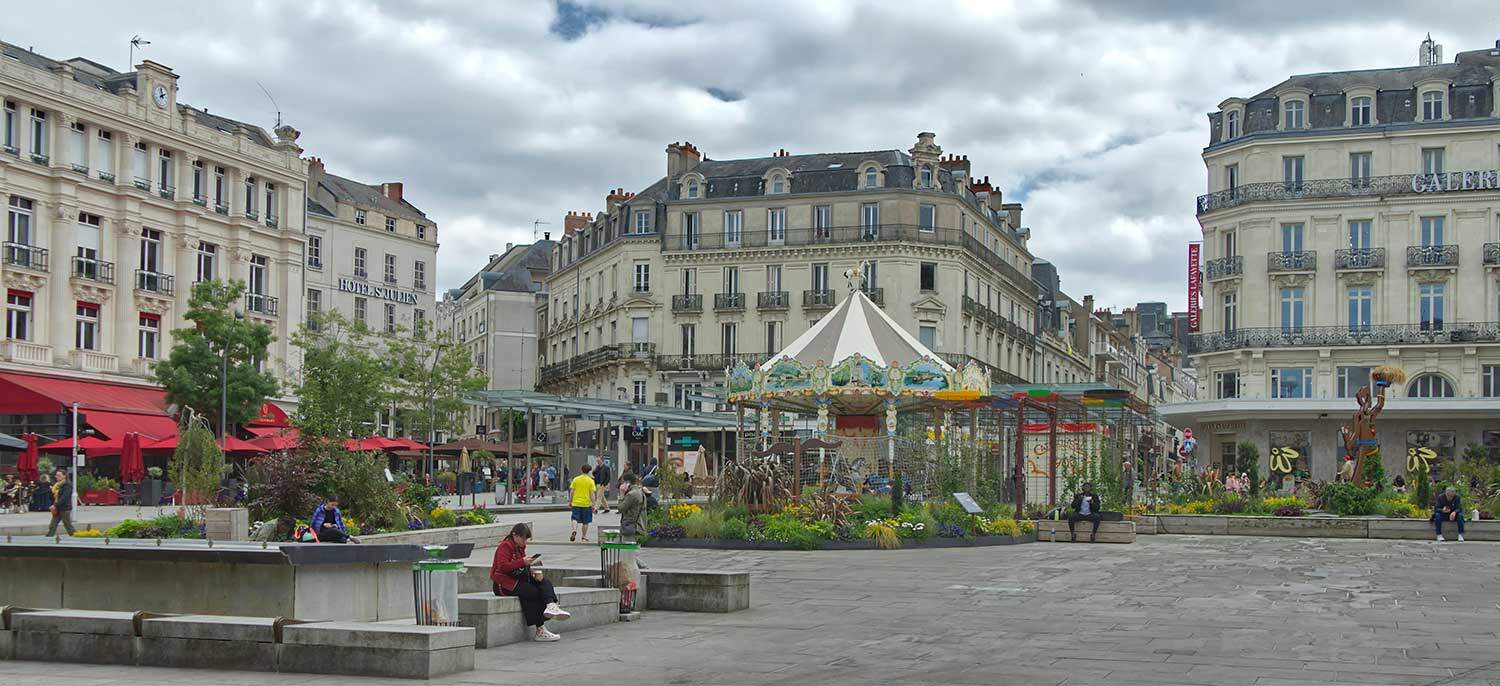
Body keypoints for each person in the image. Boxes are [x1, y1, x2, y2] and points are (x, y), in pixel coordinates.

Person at [490, 523, 570, 642]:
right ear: (515, 535)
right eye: (523, 538)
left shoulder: (519, 547)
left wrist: (532, 573)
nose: (525, 542)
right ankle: (540, 629)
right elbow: (502, 567)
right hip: (503, 584)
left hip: (518, 579)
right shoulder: (505, 546)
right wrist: (522, 562)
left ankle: (551, 605)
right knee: (532, 592)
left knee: (544, 582)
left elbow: (522, 566)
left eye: (526, 539)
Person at [568, 463, 596, 542]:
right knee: (585, 521)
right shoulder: (590, 481)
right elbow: (592, 494)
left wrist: (570, 501)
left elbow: (572, 491)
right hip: (586, 504)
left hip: (576, 503)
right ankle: (584, 536)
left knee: (574, 518)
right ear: (589, 471)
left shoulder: (576, 479)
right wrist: (593, 504)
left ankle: (574, 530)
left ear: (581, 470)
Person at [617, 472, 648, 539]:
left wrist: (621, 495)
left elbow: (620, 508)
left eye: (623, 482)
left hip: (631, 527)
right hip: (639, 525)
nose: (621, 485)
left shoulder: (631, 494)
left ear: (628, 482)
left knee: (628, 546)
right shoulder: (639, 491)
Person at [46, 469, 76, 536]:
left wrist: (55, 505)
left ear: (64, 476)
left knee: (67, 524)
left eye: (59, 475)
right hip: (57, 508)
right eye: (56, 475)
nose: (57, 477)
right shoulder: (57, 485)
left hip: (64, 508)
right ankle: (49, 536)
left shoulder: (67, 484)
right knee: (53, 524)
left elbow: (64, 497)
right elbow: (53, 496)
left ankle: (75, 536)